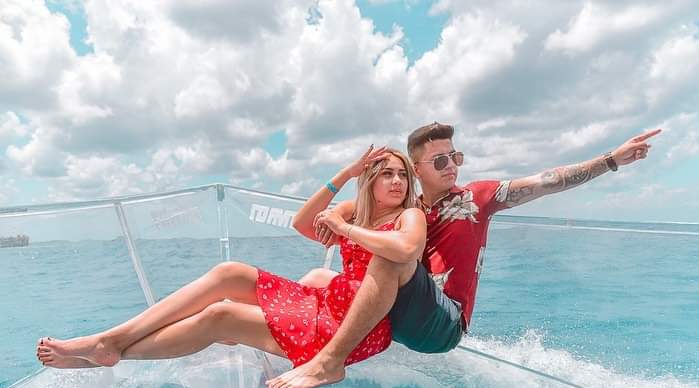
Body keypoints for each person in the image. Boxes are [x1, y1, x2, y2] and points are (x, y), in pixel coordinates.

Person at [266, 122, 662, 388]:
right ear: (416, 169)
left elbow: (546, 181)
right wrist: (340, 205)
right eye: (439, 161)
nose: (451, 166)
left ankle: (327, 362)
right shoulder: (401, 206)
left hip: (440, 322)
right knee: (318, 278)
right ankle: (281, 333)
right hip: (395, 312)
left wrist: (610, 160)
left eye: (455, 157)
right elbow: (307, 225)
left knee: (390, 257)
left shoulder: (476, 197)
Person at [36, 147, 426, 372]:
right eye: (385, 173)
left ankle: (107, 353)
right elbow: (303, 223)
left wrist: (346, 231)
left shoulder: (408, 216)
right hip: (327, 303)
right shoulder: (355, 211)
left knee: (220, 315)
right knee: (229, 273)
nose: (396, 182)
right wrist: (346, 172)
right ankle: (111, 340)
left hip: (354, 327)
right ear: (369, 180)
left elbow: (406, 249)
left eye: (402, 175)